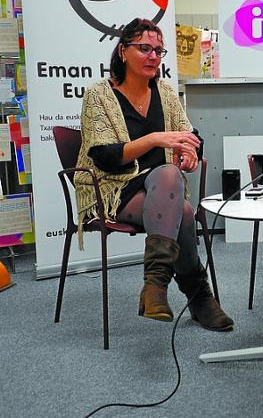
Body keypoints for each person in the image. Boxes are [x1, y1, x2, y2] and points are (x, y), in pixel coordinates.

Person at [75, 18, 233, 331]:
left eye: (158, 51)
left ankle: (155, 286)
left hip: (162, 188)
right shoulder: (99, 95)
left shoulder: (164, 92)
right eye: (144, 48)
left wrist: (190, 152)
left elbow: (190, 135)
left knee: (170, 177)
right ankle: (199, 296)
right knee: (182, 207)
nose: (153, 56)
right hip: (114, 189)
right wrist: (155, 139)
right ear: (123, 51)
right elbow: (105, 157)